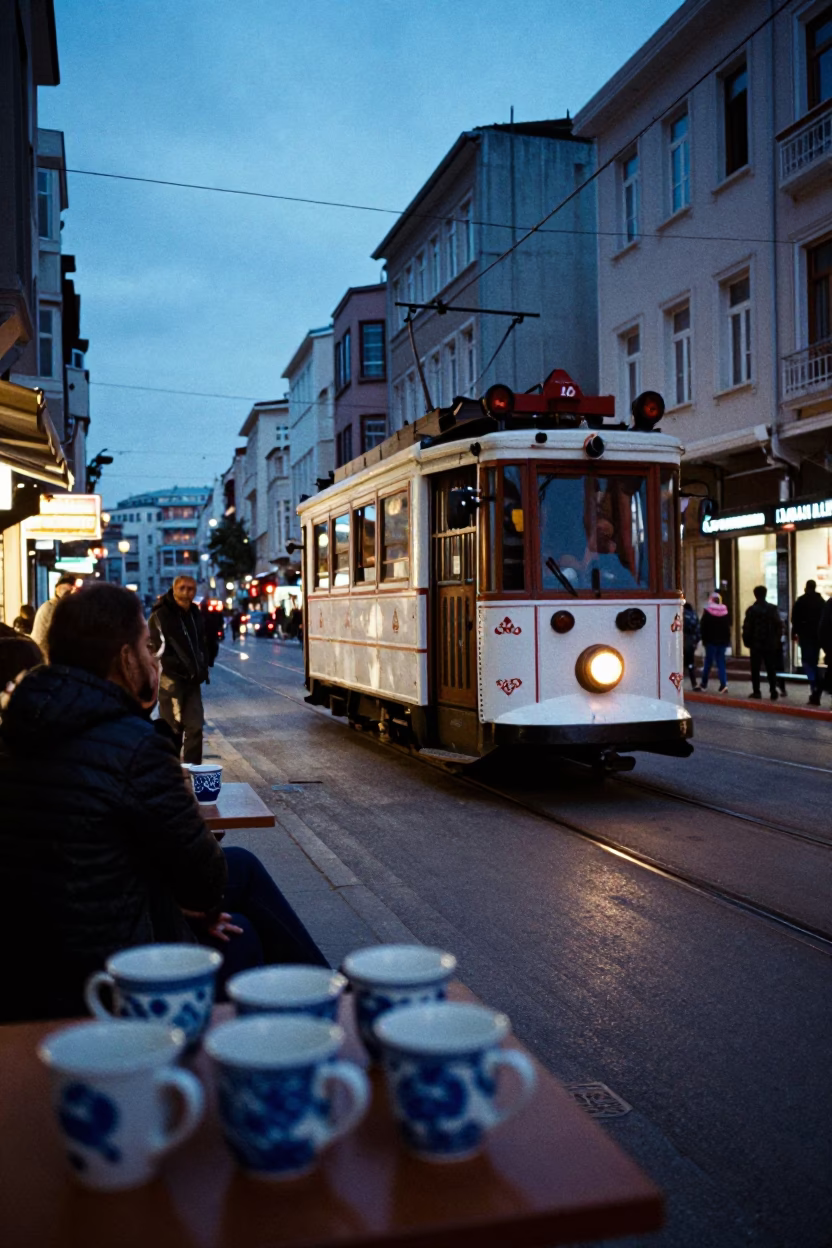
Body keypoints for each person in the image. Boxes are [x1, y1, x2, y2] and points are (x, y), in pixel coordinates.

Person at [0, 583, 326, 1023]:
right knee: (240, 931)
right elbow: (204, 882)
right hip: (109, 964)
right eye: (147, 646)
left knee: (242, 867)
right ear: (125, 659)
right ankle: (318, 1012)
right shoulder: (133, 745)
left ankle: (328, 992)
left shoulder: (27, 724)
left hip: (40, 950)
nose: (155, 657)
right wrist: (187, 899)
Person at [149, 575, 217, 763]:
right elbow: (155, 649)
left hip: (193, 681)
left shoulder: (195, 614)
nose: (187, 592)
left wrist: (204, 664)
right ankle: (170, 772)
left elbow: (203, 643)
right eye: (182, 588)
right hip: (170, 681)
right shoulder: (160, 615)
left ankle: (193, 772)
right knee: (173, 729)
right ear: (174, 589)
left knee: (195, 727)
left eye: (191, 589)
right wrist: (177, 667)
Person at [742, 585, 782, 700]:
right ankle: (773, 690)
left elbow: (747, 628)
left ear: (755, 595)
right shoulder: (772, 609)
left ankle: (757, 691)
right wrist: (776, 640)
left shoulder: (751, 610)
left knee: (755, 669)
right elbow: (779, 626)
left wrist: (747, 641)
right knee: (771, 668)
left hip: (756, 644)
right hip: (769, 644)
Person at [792, 579, 825, 705]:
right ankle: (816, 683)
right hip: (817, 636)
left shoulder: (801, 601)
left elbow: (794, 619)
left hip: (805, 635)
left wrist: (794, 633)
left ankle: (814, 683)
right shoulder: (821, 602)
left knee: (806, 661)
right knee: (813, 660)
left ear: (806, 587)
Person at [30, 574, 77, 656]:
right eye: (67, 592)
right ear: (57, 589)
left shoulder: (61, 607)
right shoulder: (51, 608)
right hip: (49, 657)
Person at [699, 591, 731, 693]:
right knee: (721, 662)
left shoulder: (708, 610)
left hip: (710, 641)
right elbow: (727, 628)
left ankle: (704, 684)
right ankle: (723, 684)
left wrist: (704, 640)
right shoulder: (725, 611)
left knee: (708, 663)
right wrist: (727, 640)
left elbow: (703, 627)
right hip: (722, 641)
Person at [682, 600, 701, 691]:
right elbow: (698, 630)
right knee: (690, 664)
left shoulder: (680, 614)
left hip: (681, 642)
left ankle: (677, 684)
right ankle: (694, 683)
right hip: (690, 642)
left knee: (678, 664)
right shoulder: (694, 615)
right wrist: (695, 642)